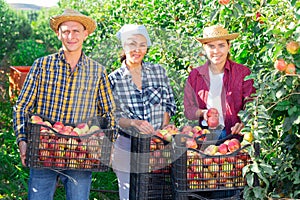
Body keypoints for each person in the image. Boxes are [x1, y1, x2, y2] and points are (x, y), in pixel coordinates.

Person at [13, 9, 115, 200]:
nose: (71, 36)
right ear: (58, 34)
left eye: (76, 31)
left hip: (81, 153)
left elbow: (109, 112)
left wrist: (110, 145)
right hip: (44, 150)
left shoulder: (97, 71)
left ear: (85, 34)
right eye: (66, 31)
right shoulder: (42, 66)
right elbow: (22, 107)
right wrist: (22, 140)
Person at [109, 24, 176, 200]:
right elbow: (112, 117)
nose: (137, 49)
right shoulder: (113, 79)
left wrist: (165, 130)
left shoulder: (158, 72)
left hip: (157, 145)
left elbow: (168, 104)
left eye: (142, 45)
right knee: (129, 193)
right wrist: (133, 123)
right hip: (126, 144)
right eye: (132, 44)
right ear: (124, 46)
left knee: (156, 193)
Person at [184, 24, 256, 140]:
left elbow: (252, 105)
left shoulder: (242, 73)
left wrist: (244, 123)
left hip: (234, 136)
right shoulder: (195, 76)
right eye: (211, 46)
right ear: (204, 48)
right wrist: (203, 113)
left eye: (221, 45)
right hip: (205, 136)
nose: (216, 51)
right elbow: (189, 110)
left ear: (229, 46)